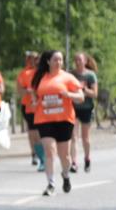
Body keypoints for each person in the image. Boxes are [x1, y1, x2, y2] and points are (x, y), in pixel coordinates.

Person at [31, 50, 84, 196]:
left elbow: (81, 97)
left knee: (65, 156)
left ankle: (65, 175)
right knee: (49, 151)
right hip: (44, 119)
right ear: (48, 61)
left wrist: (69, 94)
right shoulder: (40, 77)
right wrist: (35, 102)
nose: (58, 62)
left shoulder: (68, 77)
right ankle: (51, 184)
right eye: (55, 59)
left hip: (64, 119)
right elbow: (35, 95)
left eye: (60, 60)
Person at [16, 51, 45, 171]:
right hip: (30, 107)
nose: (33, 61)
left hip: (44, 107)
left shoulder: (46, 73)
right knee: (34, 134)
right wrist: (28, 91)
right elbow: (20, 91)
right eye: (30, 58)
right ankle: (39, 157)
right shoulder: (25, 73)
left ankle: (44, 157)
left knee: (42, 134)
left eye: (36, 58)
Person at [69, 52, 98, 172]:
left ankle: (87, 158)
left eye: (80, 60)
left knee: (85, 137)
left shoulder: (90, 75)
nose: (77, 62)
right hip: (73, 108)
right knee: (74, 137)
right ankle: (74, 163)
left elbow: (95, 94)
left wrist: (84, 89)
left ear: (85, 61)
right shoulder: (71, 74)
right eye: (76, 60)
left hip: (87, 108)